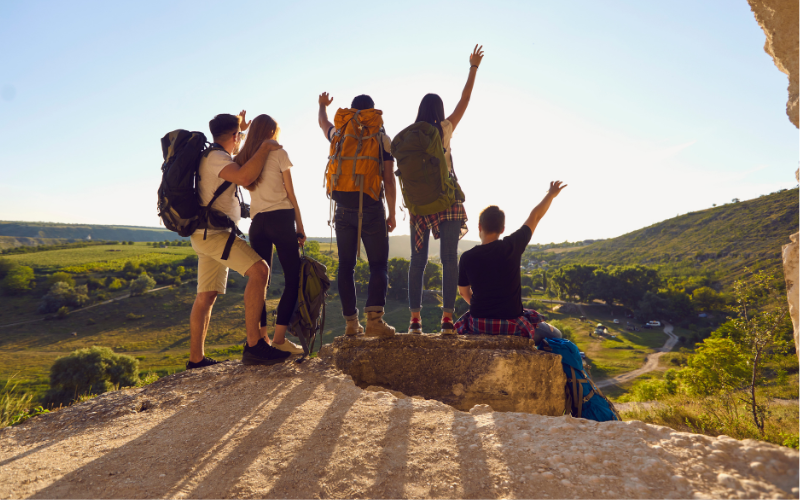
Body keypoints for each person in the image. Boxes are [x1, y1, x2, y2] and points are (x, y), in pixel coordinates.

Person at [187, 111, 290, 369]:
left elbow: (239, 160)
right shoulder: (217, 158)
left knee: (206, 296)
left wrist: (242, 132)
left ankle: (195, 360)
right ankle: (255, 346)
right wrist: (266, 145)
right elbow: (245, 176)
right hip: (215, 234)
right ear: (233, 136)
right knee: (260, 271)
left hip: (204, 234)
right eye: (238, 136)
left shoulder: (212, 156)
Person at [407, 44, 484, 335]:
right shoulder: (444, 129)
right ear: (438, 112)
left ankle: (415, 319)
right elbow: (465, 99)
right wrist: (473, 67)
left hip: (417, 204)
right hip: (446, 200)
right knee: (449, 258)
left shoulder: (410, 136)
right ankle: (447, 318)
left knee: (418, 261)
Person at [317, 92, 397, 338]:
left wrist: (322, 105)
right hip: (371, 206)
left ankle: (351, 324)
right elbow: (388, 177)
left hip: (342, 208)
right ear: (372, 112)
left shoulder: (340, 133)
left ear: (351, 111)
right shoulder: (381, 137)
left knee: (346, 266)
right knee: (378, 265)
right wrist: (392, 212)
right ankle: (374, 320)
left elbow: (324, 124)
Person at [455, 181, 567, 342]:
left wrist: (485, 307)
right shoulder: (512, 246)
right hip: (513, 325)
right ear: (502, 229)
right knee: (556, 335)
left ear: (479, 227)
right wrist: (551, 194)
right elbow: (535, 216)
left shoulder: (467, 257)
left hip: (478, 324)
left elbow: (463, 292)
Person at [236, 114, 305, 355]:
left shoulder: (246, 158)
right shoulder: (279, 154)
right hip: (281, 219)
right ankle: (279, 339)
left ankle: (262, 338)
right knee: (293, 279)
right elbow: (291, 194)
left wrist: (242, 132)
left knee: (260, 282)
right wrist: (300, 226)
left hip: (257, 223)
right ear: (271, 133)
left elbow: (235, 153)